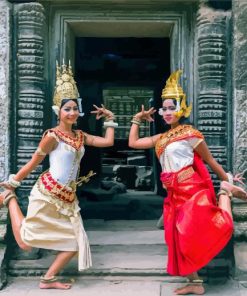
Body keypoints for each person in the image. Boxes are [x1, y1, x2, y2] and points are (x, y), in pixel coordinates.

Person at [0, 61, 118, 290]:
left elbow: (108, 141)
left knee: (74, 244)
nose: (72, 113)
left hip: (67, 198)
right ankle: (10, 199)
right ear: (59, 111)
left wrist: (110, 118)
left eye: (75, 108)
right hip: (47, 193)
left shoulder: (80, 136)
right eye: (67, 109)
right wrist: (14, 182)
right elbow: (35, 161)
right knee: (26, 243)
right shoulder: (52, 136)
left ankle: (48, 279)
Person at [128, 70, 247, 295]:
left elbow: (209, 160)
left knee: (204, 230)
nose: (167, 112)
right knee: (176, 239)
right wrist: (137, 118)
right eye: (164, 108)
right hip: (173, 193)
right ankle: (196, 282)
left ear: (182, 108)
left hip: (192, 189)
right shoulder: (161, 138)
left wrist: (226, 178)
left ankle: (225, 193)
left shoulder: (190, 133)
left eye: (172, 107)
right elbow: (133, 143)